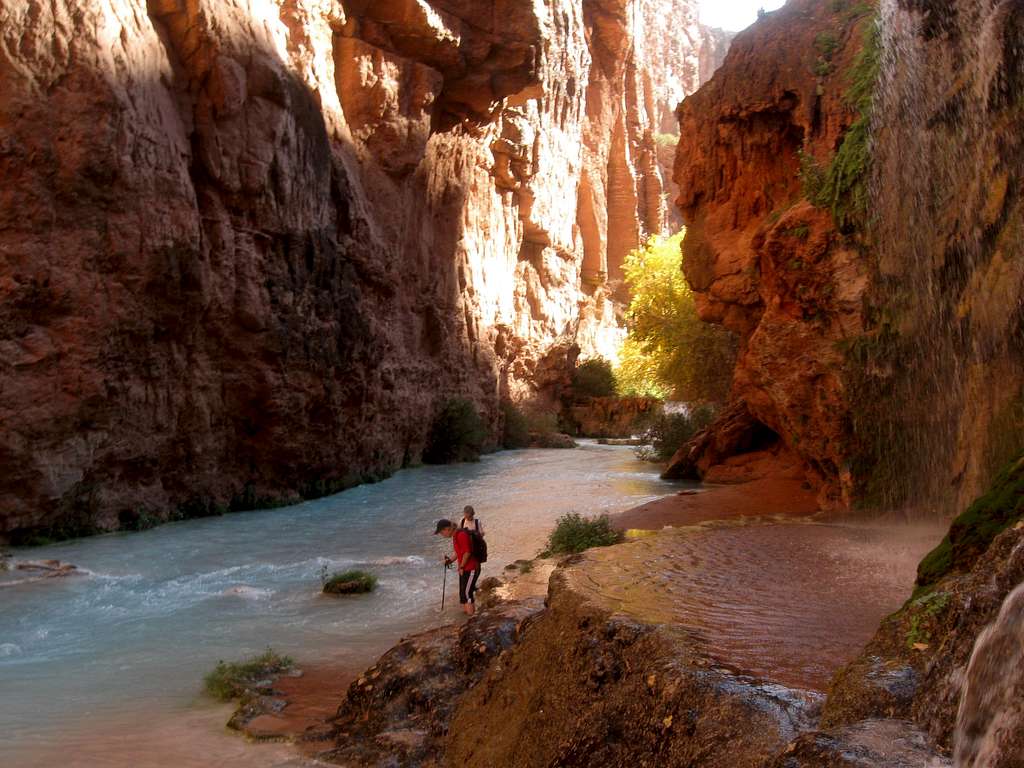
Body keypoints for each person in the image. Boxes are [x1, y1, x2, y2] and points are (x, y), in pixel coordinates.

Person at [434, 518, 480, 615]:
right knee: (463, 594)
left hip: (471, 568)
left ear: (447, 529)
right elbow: (459, 552)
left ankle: (472, 619)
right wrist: (450, 560)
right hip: (464, 569)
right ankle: (468, 616)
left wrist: (462, 566)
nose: (442, 535)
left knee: (467, 595)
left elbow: (467, 552)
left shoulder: (461, 535)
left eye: (442, 533)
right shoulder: (455, 536)